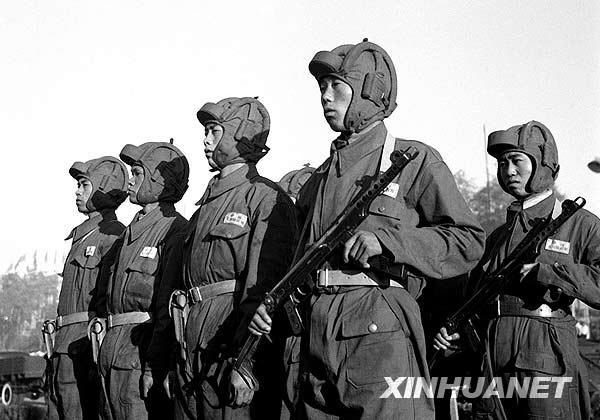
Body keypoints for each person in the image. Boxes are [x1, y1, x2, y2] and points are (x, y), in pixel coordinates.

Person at [249, 39, 486, 419]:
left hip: (379, 327)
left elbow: (468, 240)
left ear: (369, 90)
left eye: (336, 86)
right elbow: (299, 263)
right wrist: (272, 306)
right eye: (322, 87)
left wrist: (387, 242)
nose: (325, 97)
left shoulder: (413, 160)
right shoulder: (318, 180)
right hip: (314, 332)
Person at [434, 121, 600, 419]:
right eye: (502, 163)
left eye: (516, 160)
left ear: (543, 164)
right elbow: (474, 302)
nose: (508, 171)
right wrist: (454, 335)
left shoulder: (578, 223)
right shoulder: (497, 237)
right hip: (492, 365)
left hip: (546, 358)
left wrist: (550, 273)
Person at [169, 97, 298, 420]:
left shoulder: (265, 198)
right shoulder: (203, 209)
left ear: (239, 134)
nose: (205, 140)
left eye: (214, 131)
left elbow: (267, 293)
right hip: (192, 345)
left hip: (230, 347)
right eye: (205, 132)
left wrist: (245, 361)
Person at [97, 141, 189, 420]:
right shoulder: (129, 234)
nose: (130, 181)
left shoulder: (174, 229)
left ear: (157, 180)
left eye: (137, 173)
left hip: (140, 356)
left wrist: (154, 366)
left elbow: (167, 309)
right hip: (113, 354)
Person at [46, 156, 128, 420]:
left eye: (84, 185)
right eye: (78, 185)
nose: (77, 191)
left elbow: (109, 299)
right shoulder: (82, 236)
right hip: (64, 345)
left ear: (103, 188)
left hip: (86, 346)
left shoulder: (113, 234)